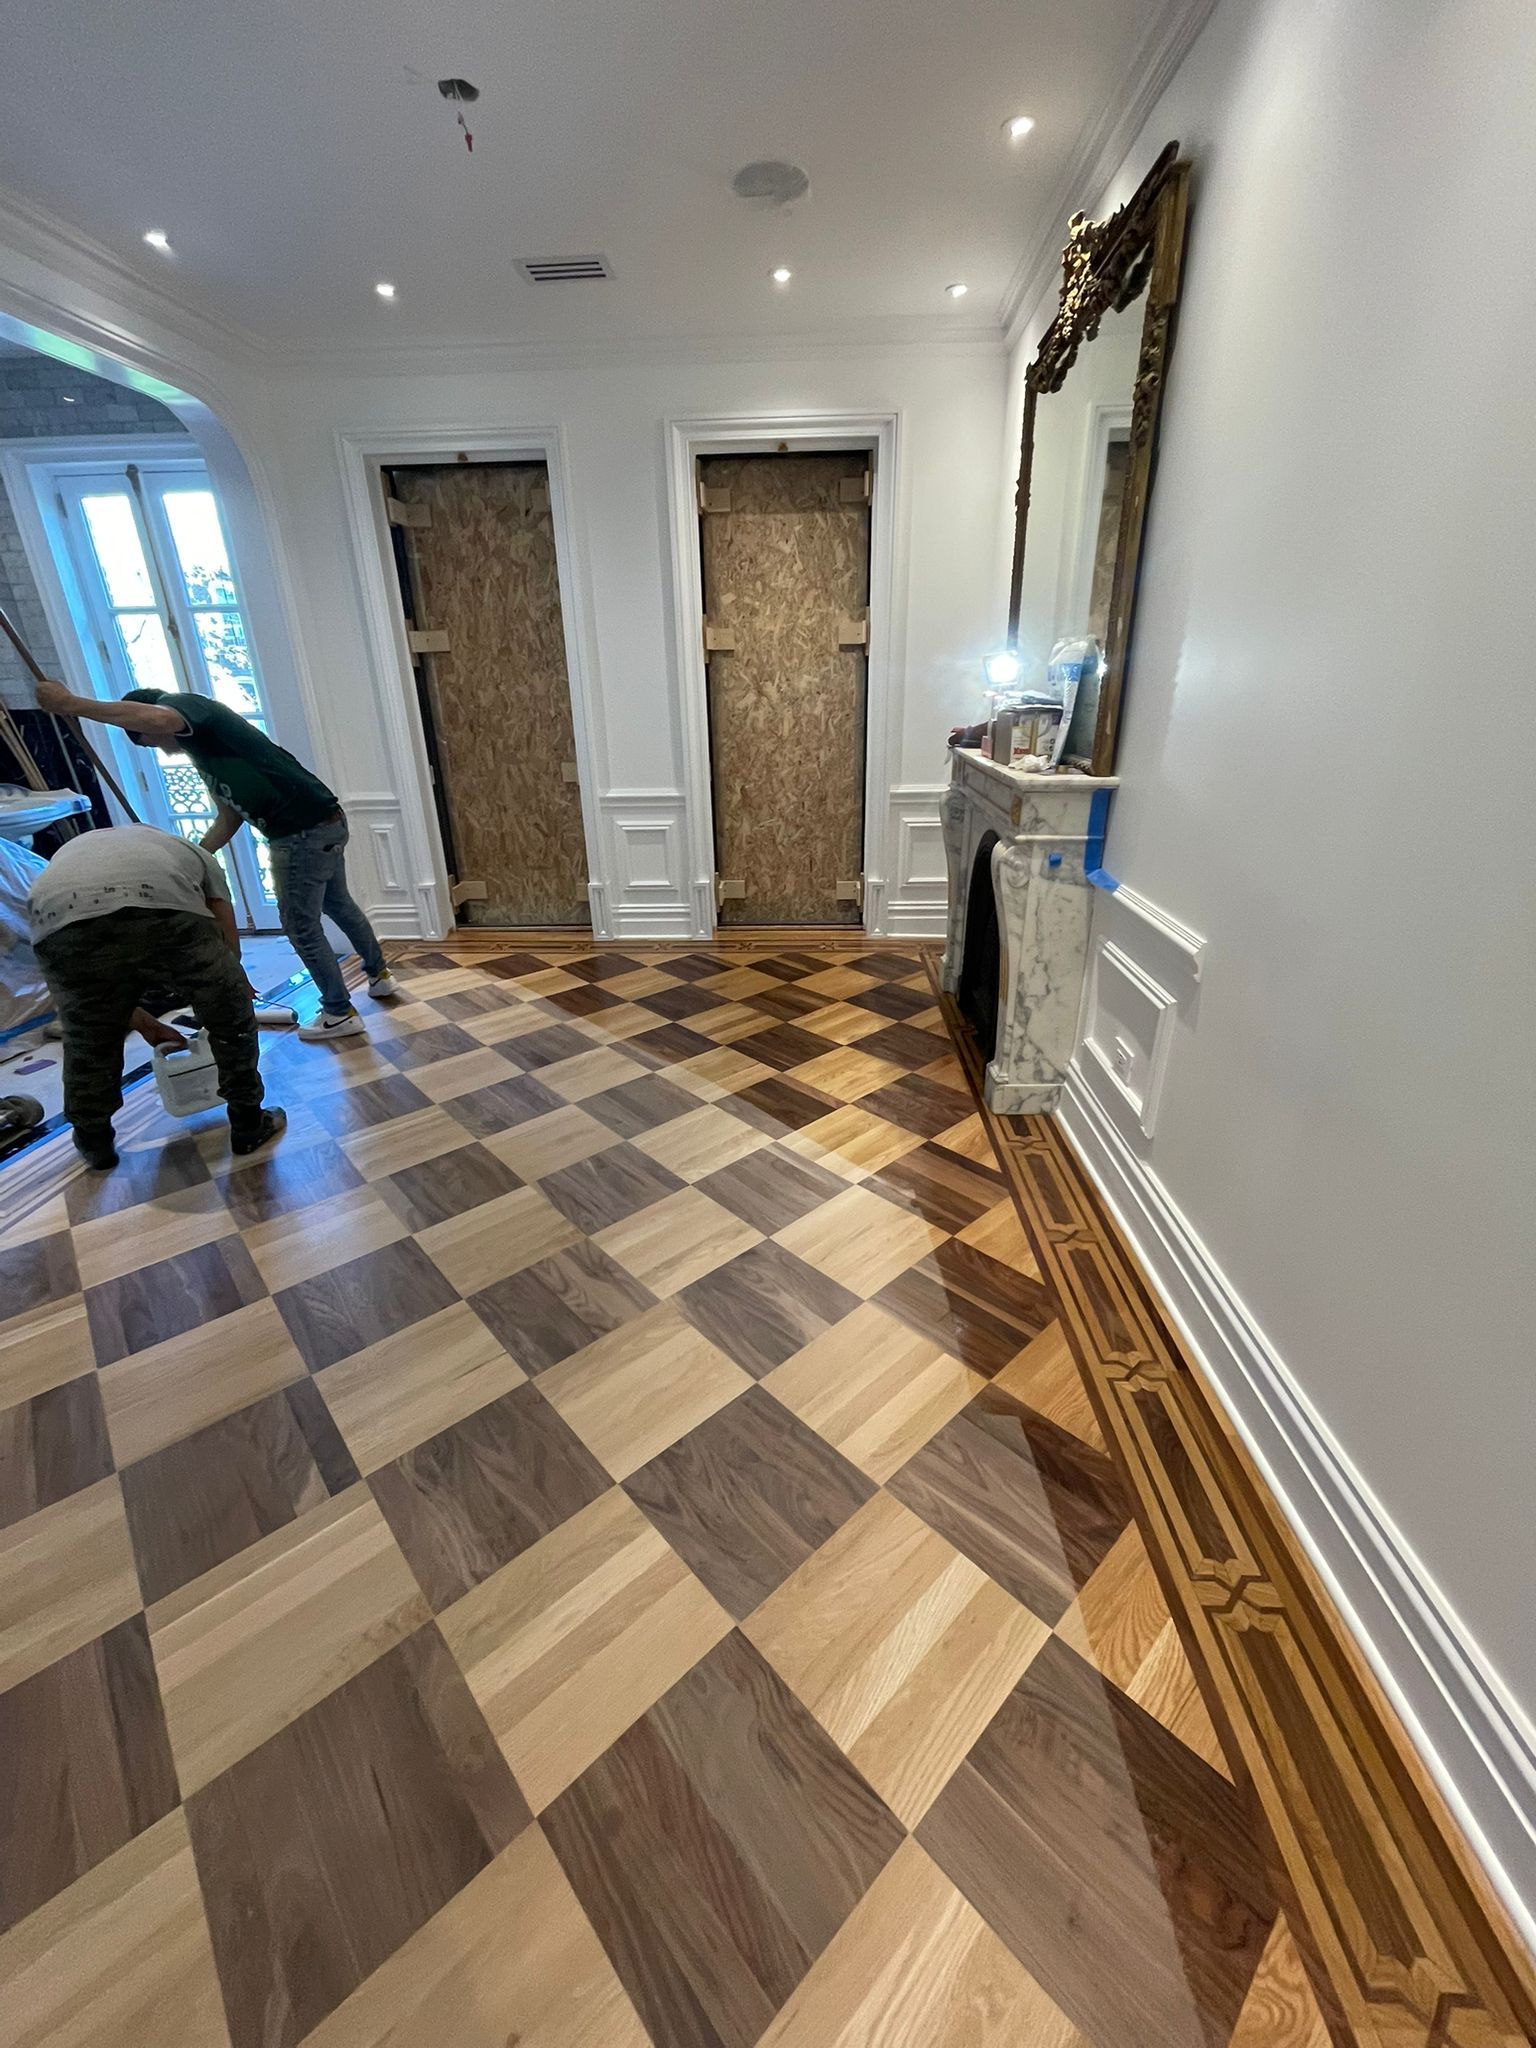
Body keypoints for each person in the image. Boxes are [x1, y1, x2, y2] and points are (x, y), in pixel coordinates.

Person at [34, 679, 400, 1042]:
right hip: (322, 823)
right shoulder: (207, 753)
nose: (164, 752)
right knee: (339, 905)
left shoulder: (190, 706)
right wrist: (190, 858)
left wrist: (71, 704)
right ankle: (379, 977)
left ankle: (338, 1012)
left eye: (152, 743)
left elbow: (160, 719)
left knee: (300, 926)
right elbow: (229, 818)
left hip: (298, 833)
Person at [27, 823, 286, 1171]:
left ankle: (94, 1141)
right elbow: (226, 936)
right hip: (160, 910)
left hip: (57, 921)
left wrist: (147, 1025)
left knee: (89, 1036)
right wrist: (227, 988)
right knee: (232, 1020)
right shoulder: (196, 854)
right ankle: (248, 1124)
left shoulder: (75, 852)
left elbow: (99, 994)